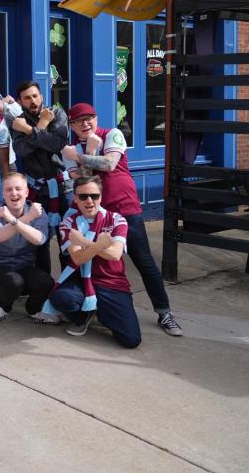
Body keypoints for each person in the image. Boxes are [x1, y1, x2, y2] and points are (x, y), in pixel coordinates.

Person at [62, 103, 182, 336]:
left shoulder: (112, 134)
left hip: (125, 210)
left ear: (96, 118)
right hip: (94, 215)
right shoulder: (72, 147)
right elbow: (83, 180)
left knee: (144, 262)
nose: (86, 124)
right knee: (91, 263)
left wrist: (78, 156)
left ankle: (164, 312)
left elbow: (110, 164)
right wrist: (90, 154)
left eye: (90, 118)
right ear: (72, 126)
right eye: (79, 121)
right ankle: (87, 311)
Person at [42, 176, 142, 348]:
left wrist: (86, 243)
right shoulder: (69, 222)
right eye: (83, 196)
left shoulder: (116, 219)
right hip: (81, 281)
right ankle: (84, 317)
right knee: (61, 297)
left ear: (101, 197)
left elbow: (115, 254)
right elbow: (78, 258)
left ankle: (102, 311)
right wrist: (100, 245)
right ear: (75, 199)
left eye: (94, 196)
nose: (89, 201)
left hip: (111, 282)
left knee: (131, 340)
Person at [8, 80, 69, 273]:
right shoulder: (16, 120)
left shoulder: (57, 113)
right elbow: (22, 150)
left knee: (66, 239)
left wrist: (30, 130)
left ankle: (69, 283)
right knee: (38, 241)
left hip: (61, 187)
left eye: (35, 96)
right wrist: (42, 127)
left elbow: (56, 144)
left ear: (42, 96)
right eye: (27, 98)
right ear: (20, 101)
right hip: (35, 189)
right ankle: (44, 287)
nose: (32, 101)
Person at [0, 173, 56, 325]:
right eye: (8, 189)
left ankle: (33, 310)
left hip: (25, 266)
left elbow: (39, 239)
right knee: (14, 282)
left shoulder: (37, 211)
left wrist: (14, 220)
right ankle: (2, 307)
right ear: (3, 193)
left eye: (18, 188)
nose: (14, 193)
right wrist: (27, 218)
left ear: (27, 192)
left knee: (46, 282)